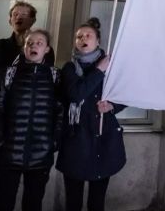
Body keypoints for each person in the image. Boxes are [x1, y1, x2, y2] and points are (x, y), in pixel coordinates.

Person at [0, 1, 55, 211]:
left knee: (33, 202)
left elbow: (56, 107)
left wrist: (52, 140)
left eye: (25, 14)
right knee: (1, 199)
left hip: (38, 147)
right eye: (16, 14)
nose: (20, 17)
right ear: (10, 19)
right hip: (6, 143)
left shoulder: (52, 71)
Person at [0, 29, 63, 211]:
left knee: (33, 204)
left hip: (41, 155)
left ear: (47, 49)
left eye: (39, 43)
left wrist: (54, 141)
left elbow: (61, 112)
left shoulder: (55, 76)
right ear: (24, 48)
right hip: (8, 153)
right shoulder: (8, 74)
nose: (34, 46)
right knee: (3, 203)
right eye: (30, 43)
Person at [56, 18, 126, 211]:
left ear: (98, 41)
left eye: (88, 36)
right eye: (79, 36)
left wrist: (112, 106)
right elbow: (76, 93)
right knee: (73, 201)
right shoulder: (70, 68)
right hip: (76, 141)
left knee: (97, 202)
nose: (83, 39)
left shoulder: (112, 67)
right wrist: (99, 70)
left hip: (103, 140)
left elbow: (125, 95)